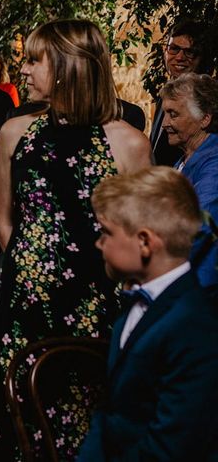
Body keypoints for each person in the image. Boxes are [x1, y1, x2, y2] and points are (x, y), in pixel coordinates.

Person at [0, 19, 151, 461]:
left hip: (96, 313)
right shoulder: (16, 132)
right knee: (15, 429)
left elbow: (141, 240)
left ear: (69, 66)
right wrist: (33, 273)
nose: (25, 70)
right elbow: (3, 218)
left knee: (84, 434)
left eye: (35, 60)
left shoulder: (129, 144)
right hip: (20, 309)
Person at [77, 167, 218, 461]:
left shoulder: (193, 325)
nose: (99, 243)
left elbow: (174, 444)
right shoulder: (137, 299)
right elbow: (110, 411)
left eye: (106, 232)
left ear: (144, 242)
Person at [159, 72, 218, 294]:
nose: (165, 124)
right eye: (164, 114)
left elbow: (200, 224)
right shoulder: (183, 160)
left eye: (173, 114)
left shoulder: (214, 162)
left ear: (205, 118)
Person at [150, 21, 209, 166]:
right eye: (174, 49)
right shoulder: (164, 96)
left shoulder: (206, 101)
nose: (180, 57)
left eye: (189, 52)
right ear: (165, 51)